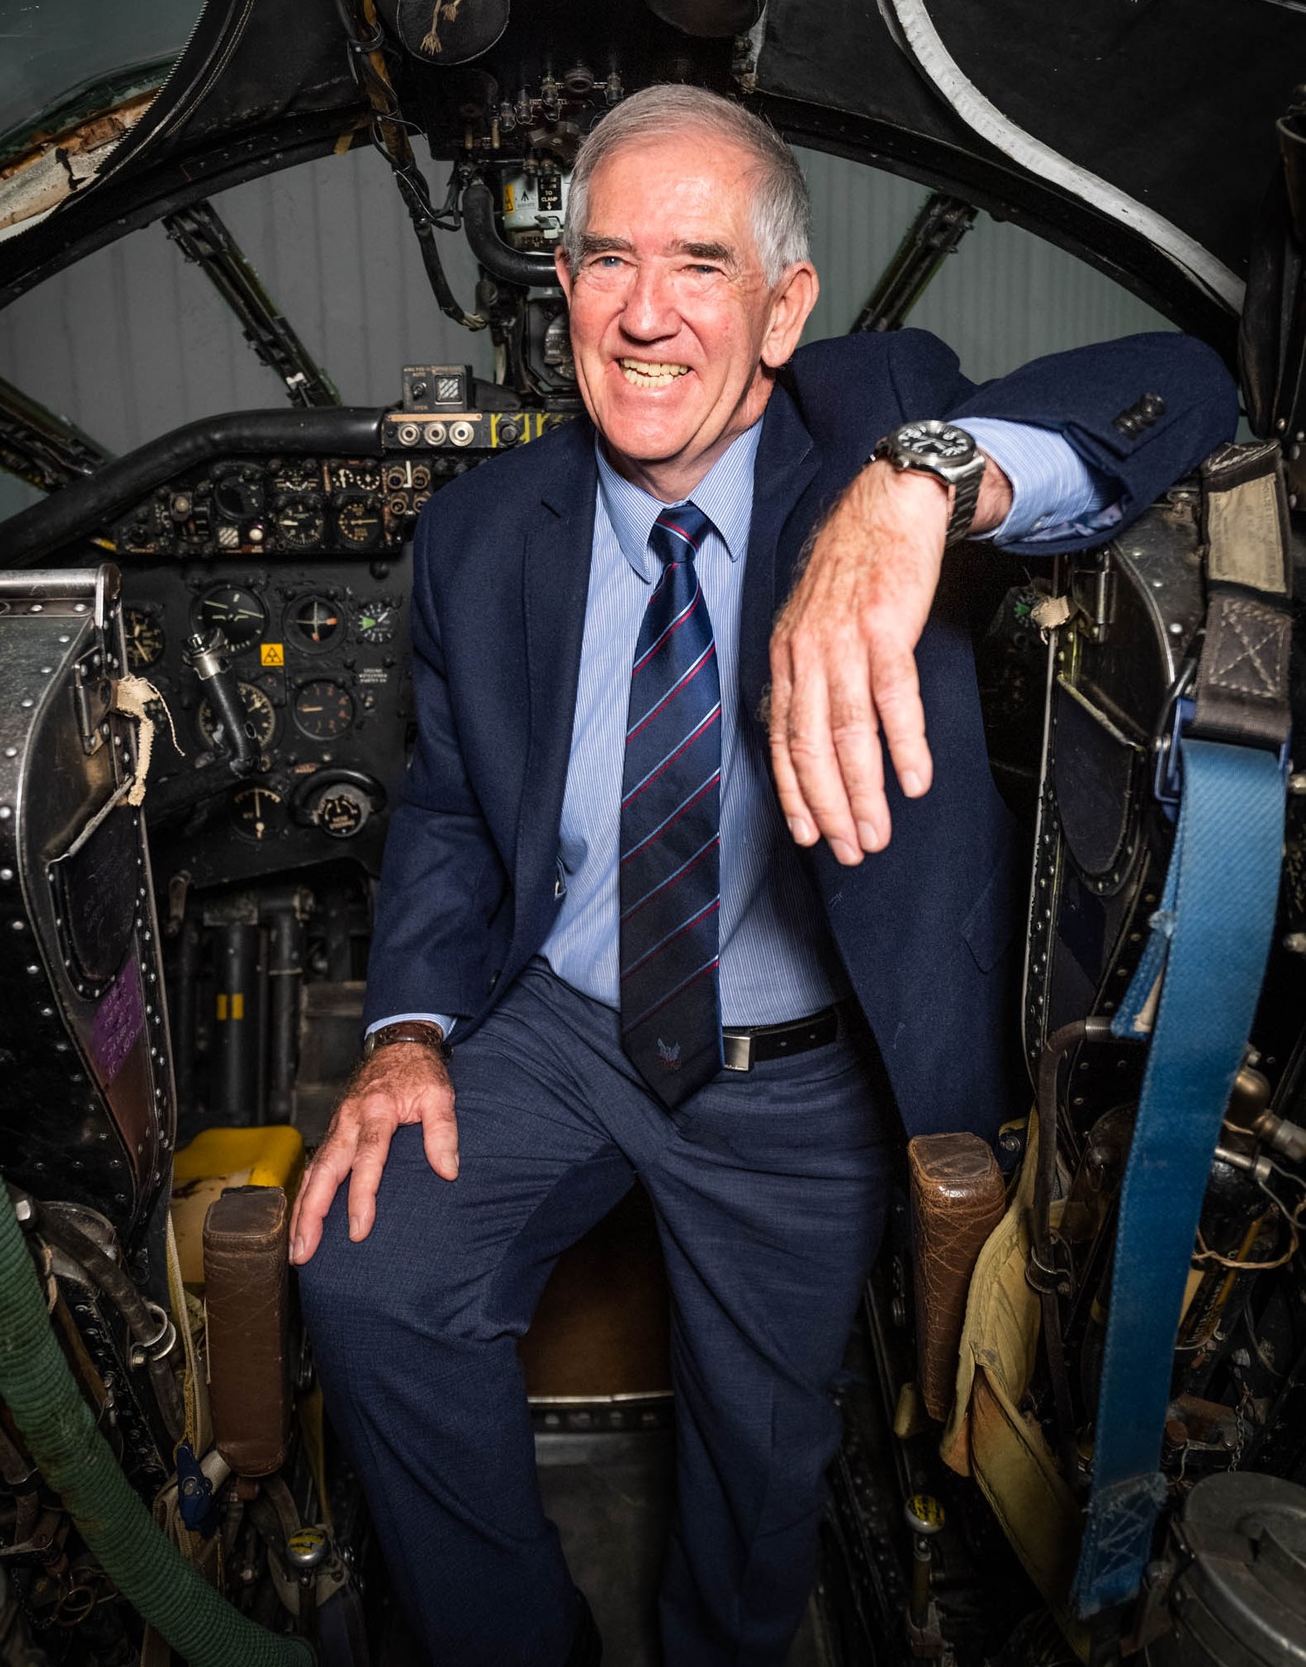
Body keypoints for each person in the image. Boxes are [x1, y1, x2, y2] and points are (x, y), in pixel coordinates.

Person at [292, 86, 1235, 1666]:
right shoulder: (478, 536)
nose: (644, 314)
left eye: (700, 266)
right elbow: (450, 812)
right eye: (604, 262)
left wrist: (919, 484)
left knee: (759, 1472)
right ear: (564, 291)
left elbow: (1179, 386)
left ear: (786, 307)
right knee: (369, 1273)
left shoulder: (876, 418)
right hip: (563, 1032)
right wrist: (407, 1037)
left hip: (803, 1082)